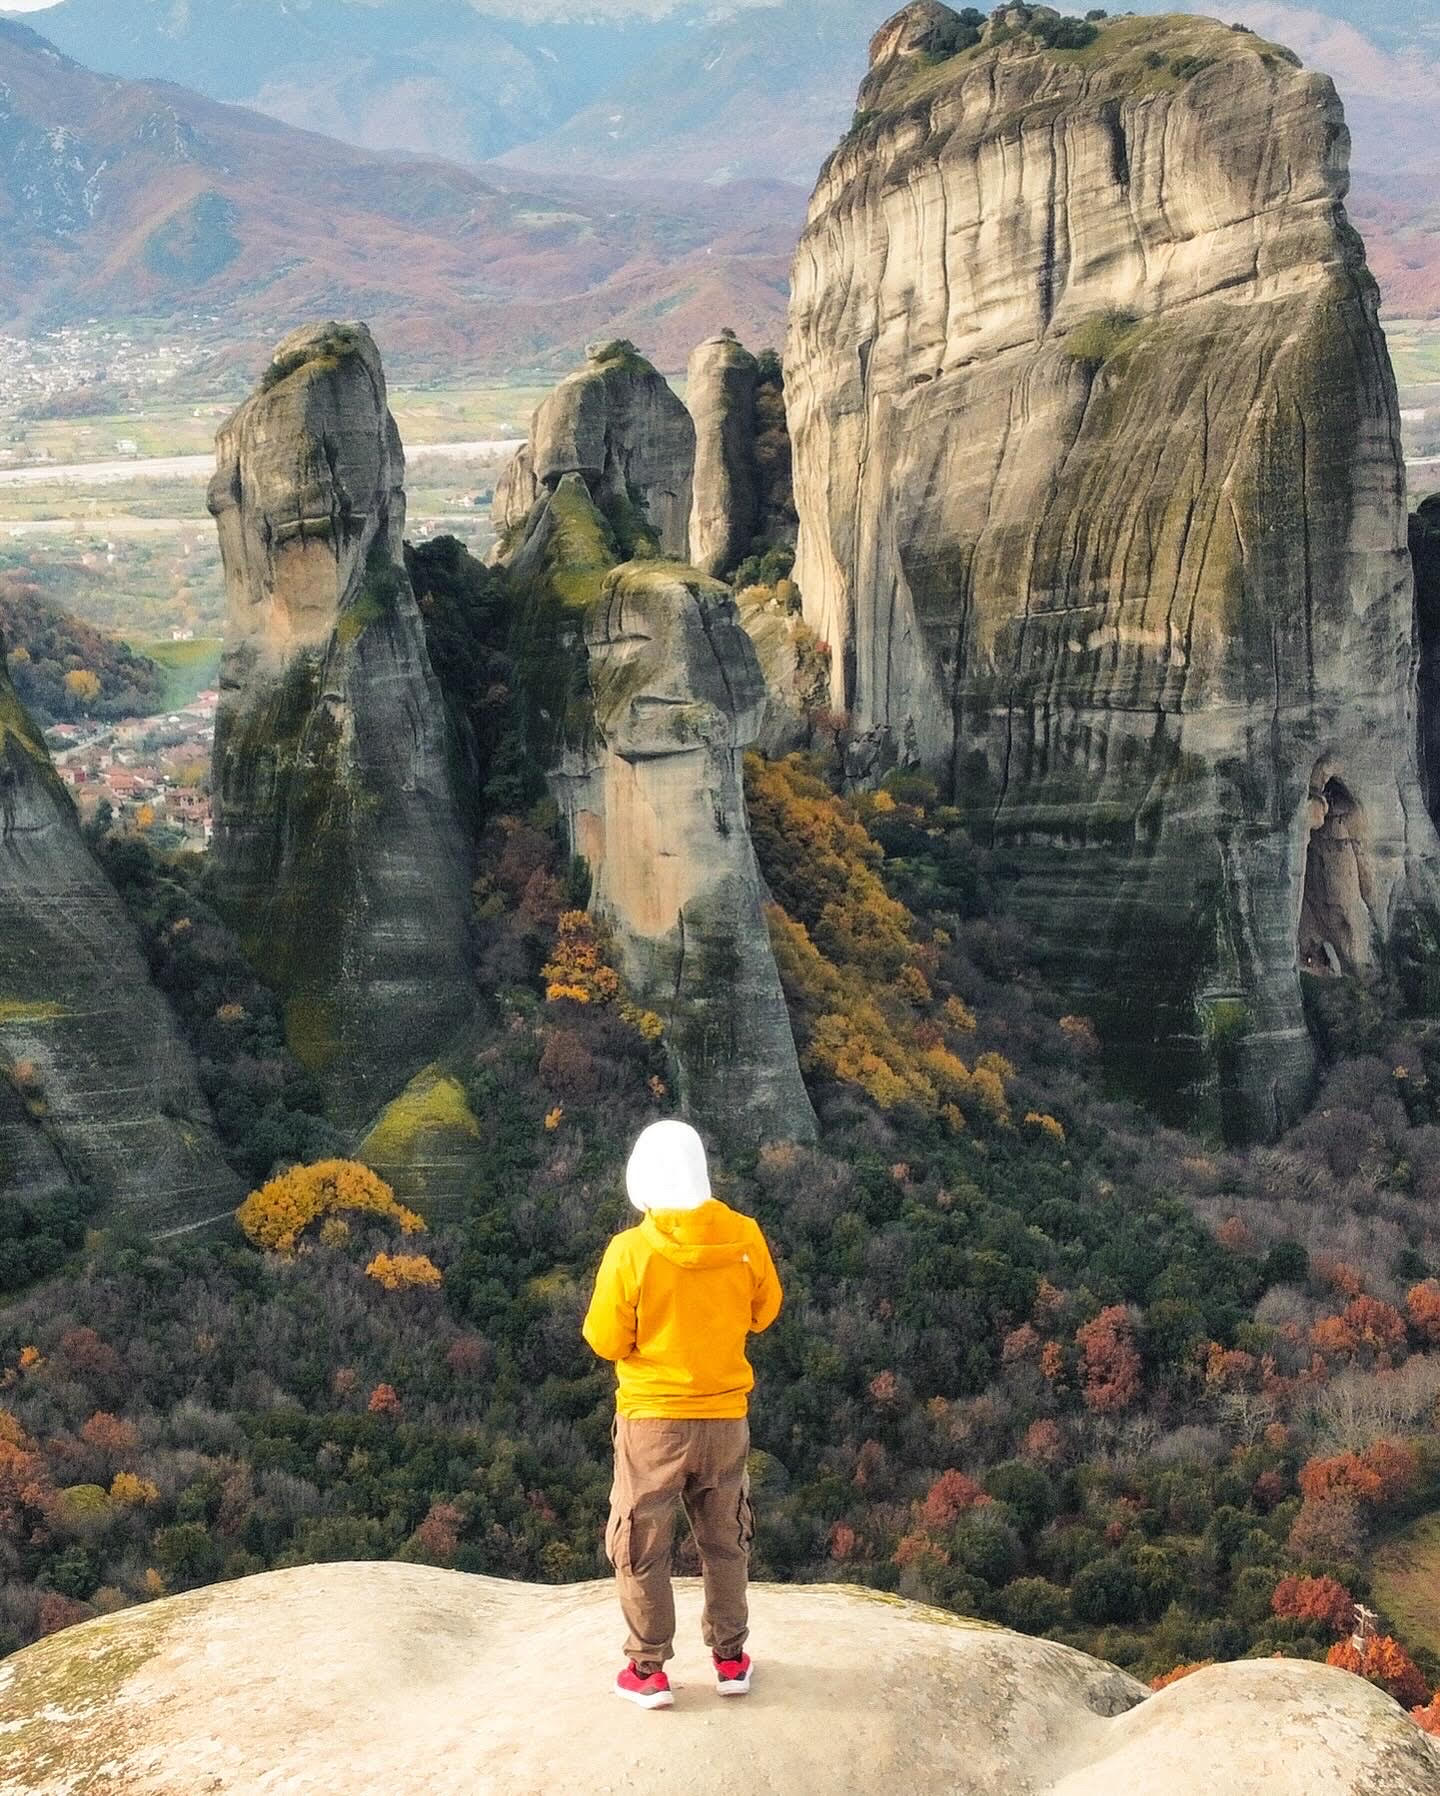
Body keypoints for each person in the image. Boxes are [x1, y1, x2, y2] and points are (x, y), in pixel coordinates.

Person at [583, 1120, 783, 1711]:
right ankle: (730, 1659)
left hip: (652, 1423)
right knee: (724, 1539)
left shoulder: (631, 1251)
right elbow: (764, 1311)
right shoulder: (744, 1237)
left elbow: (605, 1339)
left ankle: (648, 1670)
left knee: (643, 1542)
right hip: (725, 1420)